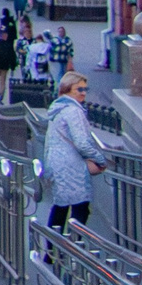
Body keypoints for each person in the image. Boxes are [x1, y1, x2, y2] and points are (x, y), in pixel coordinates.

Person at [41, 71, 111, 230]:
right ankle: (73, 247)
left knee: (61, 207)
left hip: (58, 164)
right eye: (79, 89)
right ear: (67, 89)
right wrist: (100, 159)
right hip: (72, 167)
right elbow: (82, 143)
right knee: (80, 209)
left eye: (85, 89)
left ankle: (52, 252)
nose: (83, 93)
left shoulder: (58, 108)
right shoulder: (74, 111)